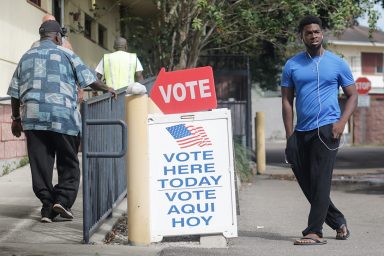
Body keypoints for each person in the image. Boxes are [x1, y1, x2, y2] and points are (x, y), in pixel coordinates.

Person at [8, 20, 116, 223]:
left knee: (40, 165)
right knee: (69, 162)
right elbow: (88, 79)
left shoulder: (26, 56)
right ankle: (63, 201)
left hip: (33, 118)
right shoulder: (66, 54)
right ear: (58, 37)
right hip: (63, 118)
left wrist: (15, 119)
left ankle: (47, 206)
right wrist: (106, 88)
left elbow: (15, 92)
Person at [280, 15, 358, 245]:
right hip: (301, 131)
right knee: (307, 182)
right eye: (308, 32)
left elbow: (352, 95)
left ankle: (314, 231)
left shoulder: (337, 63)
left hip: (327, 129)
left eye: (316, 31)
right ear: (302, 36)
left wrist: (342, 122)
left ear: (322, 34)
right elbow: (286, 100)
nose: (313, 35)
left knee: (321, 180)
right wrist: (289, 135)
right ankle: (338, 221)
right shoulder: (292, 65)